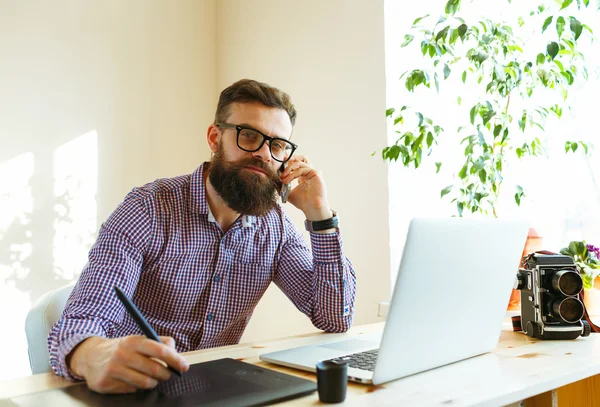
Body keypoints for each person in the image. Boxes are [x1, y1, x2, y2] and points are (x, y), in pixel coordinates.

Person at [47, 79, 357, 394]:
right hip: (134, 391)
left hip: (212, 392)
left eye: (277, 145)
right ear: (214, 137)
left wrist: (320, 213)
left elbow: (335, 317)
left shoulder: (275, 226)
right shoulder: (148, 209)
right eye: (249, 136)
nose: (264, 154)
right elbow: (80, 321)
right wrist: (93, 355)